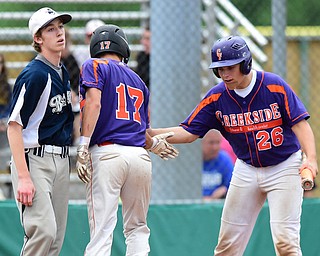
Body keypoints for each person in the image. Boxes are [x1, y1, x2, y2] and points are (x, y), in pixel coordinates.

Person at [148, 35, 318, 255]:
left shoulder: (274, 86)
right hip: (246, 168)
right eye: (220, 69)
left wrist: (311, 158)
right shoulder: (217, 97)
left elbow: (300, 124)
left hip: (284, 166)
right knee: (227, 246)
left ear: (246, 63)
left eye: (230, 67)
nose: (225, 74)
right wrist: (150, 135)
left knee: (286, 243)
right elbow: (189, 132)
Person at [76, 24, 178, 256]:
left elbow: (94, 103)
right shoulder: (138, 80)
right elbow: (141, 130)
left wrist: (82, 145)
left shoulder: (93, 65)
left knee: (102, 230)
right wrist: (153, 144)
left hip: (107, 153)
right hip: (139, 157)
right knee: (137, 228)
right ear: (123, 48)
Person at [7, 7, 73, 255]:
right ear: (37, 38)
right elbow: (14, 127)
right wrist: (23, 176)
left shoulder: (62, 71)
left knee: (55, 239)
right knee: (42, 231)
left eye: (60, 27)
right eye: (50, 29)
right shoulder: (35, 74)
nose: (59, 33)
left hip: (61, 160)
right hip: (35, 159)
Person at [61, 28, 81, 145]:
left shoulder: (70, 59)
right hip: (57, 99)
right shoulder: (45, 63)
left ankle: (78, 142)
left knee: (77, 106)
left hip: (71, 100)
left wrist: (73, 92)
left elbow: (77, 81)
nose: (67, 48)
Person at [202, 129, 233, 200]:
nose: (215, 147)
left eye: (218, 142)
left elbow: (231, 185)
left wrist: (224, 190)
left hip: (217, 202)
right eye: (211, 143)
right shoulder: (193, 160)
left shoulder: (224, 159)